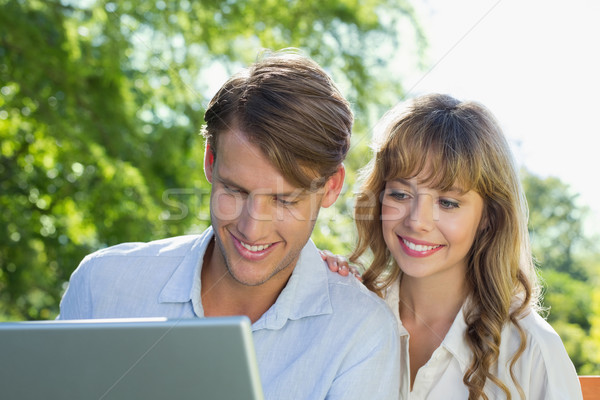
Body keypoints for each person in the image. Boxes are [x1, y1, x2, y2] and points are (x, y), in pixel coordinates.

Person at [58, 50, 400, 399]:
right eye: (235, 191)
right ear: (210, 159)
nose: (253, 229)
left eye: (284, 200)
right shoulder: (103, 285)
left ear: (331, 187)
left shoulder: (360, 334)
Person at [323, 93, 582, 399]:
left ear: (488, 216)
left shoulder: (533, 352)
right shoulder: (345, 312)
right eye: (400, 195)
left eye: (447, 202)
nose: (417, 221)